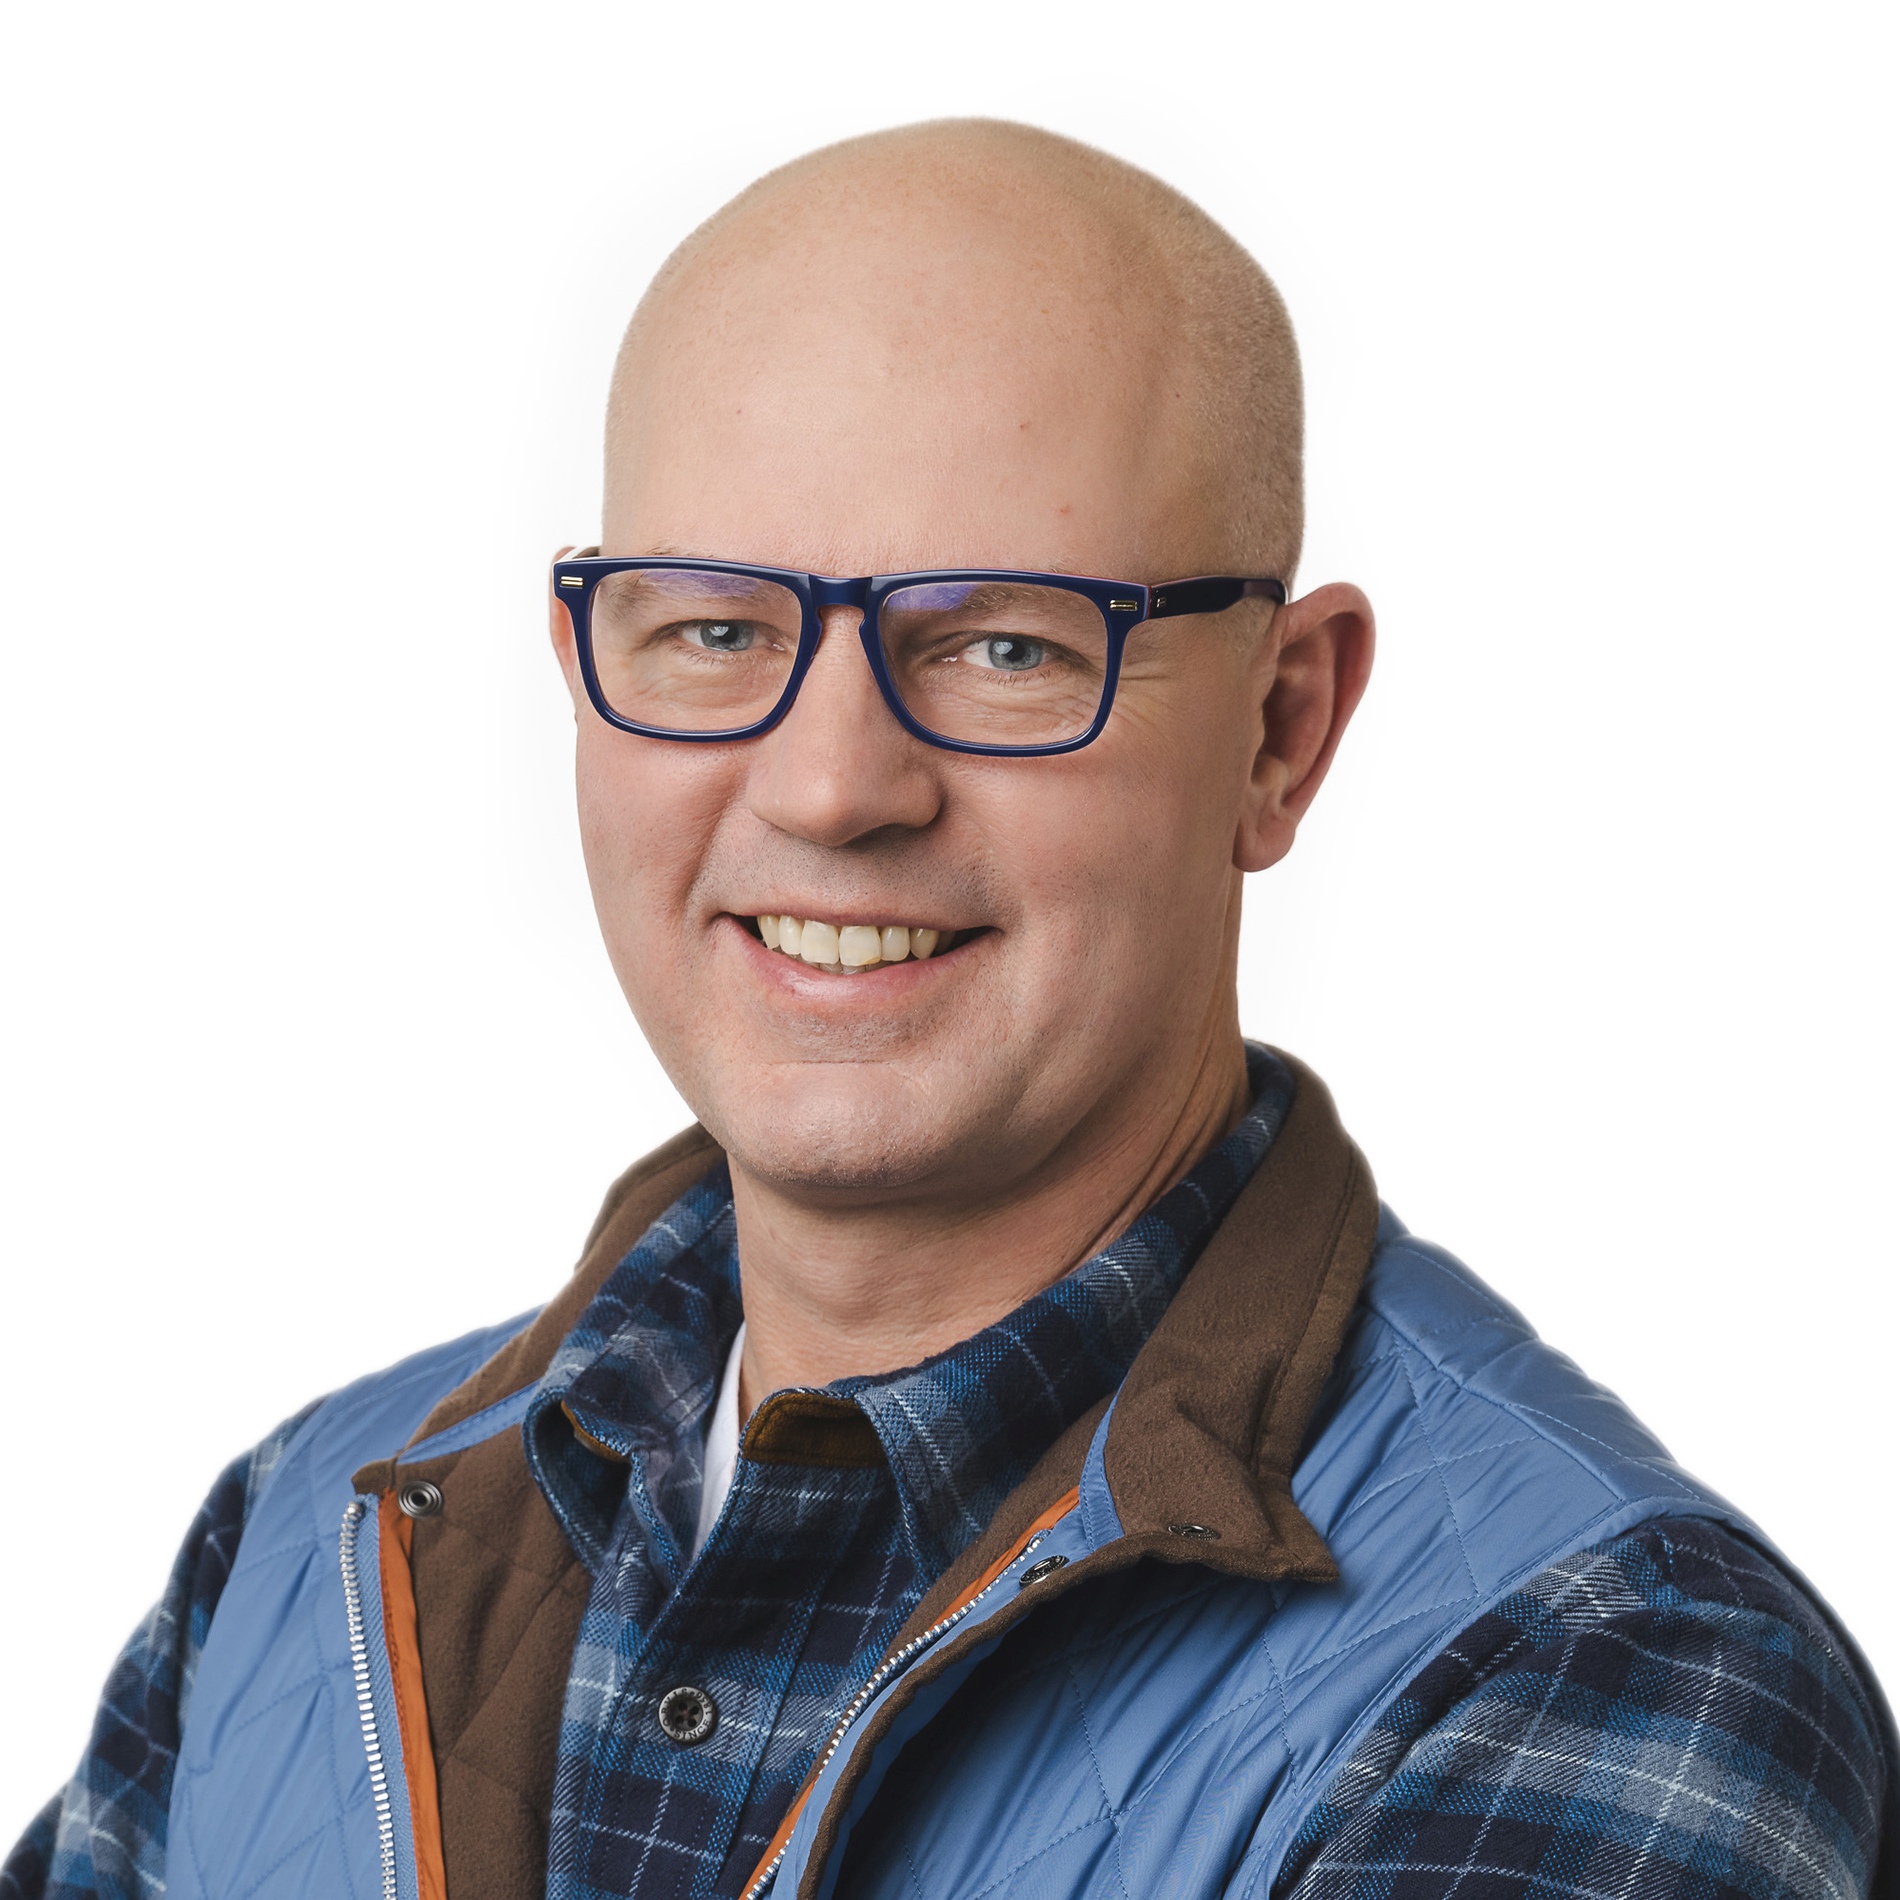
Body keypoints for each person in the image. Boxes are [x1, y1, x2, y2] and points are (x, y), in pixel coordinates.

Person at [6, 117, 1892, 1900]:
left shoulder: (1604, 1678)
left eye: (1004, 645)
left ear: (1282, 727)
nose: (832, 787)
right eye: (716, 630)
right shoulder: (307, 1536)